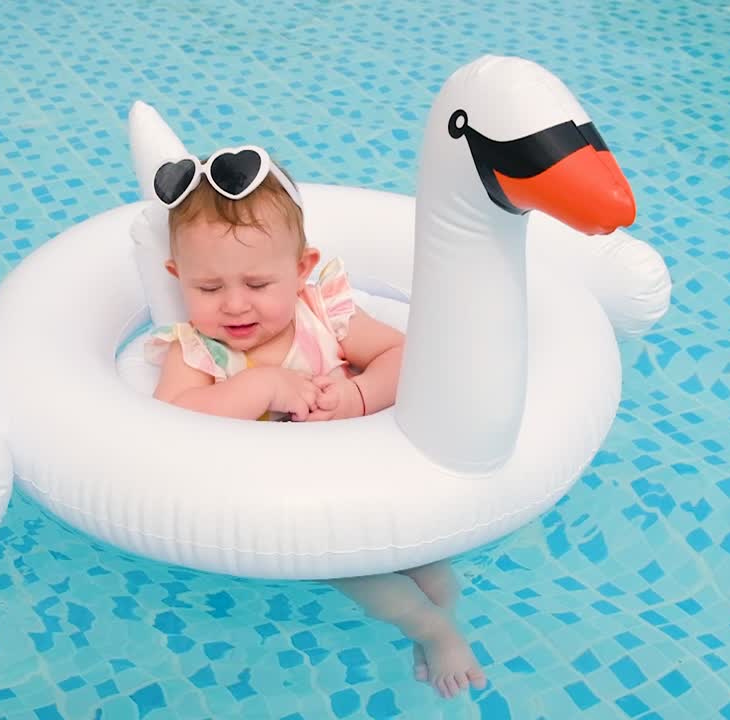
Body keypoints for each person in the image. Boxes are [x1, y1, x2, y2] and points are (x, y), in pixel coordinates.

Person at [143, 145, 488, 699]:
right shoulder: (196, 351)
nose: (235, 305)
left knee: (432, 567)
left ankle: (440, 607)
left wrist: (358, 394)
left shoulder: (324, 313)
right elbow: (170, 422)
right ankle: (430, 631)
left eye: (258, 285)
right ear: (177, 275)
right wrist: (258, 386)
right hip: (296, 504)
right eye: (208, 288)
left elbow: (408, 356)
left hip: (365, 471)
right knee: (350, 567)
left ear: (301, 269)